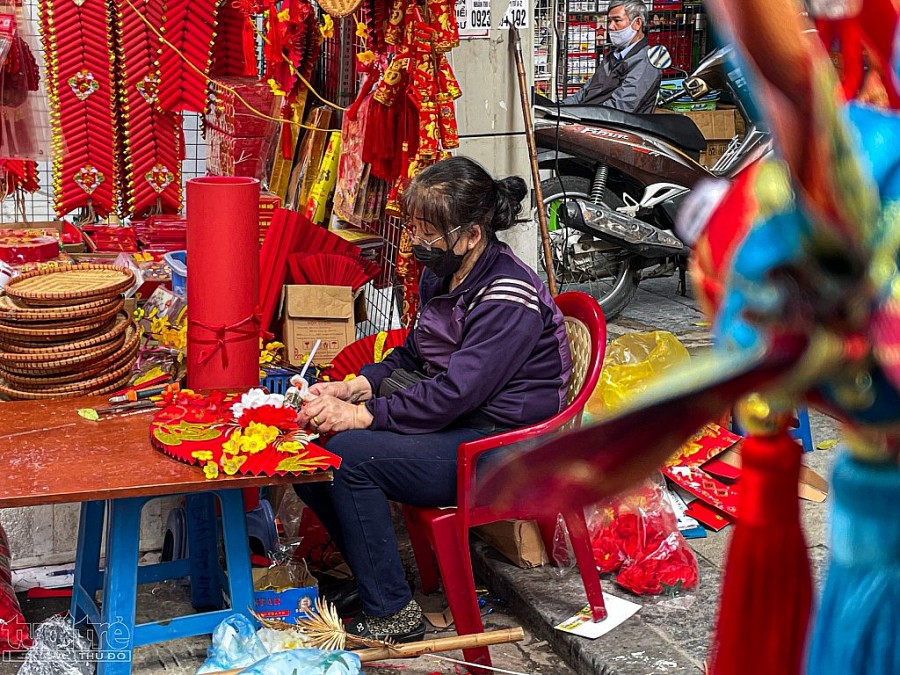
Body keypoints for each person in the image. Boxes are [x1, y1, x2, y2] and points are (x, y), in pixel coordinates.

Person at [293, 156, 573, 643]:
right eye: (414, 229)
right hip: (462, 425)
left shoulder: (507, 296)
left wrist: (362, 415)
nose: (417, 243)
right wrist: (353, 386)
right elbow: (414, 358)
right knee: (309, 455)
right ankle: (372, 583)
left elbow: (453, 394)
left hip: (502, 446)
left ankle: (394, 614)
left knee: (348, 457)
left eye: (429, 232)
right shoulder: (441, 276)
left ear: (471, 235)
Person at [563, 0, 662, 113]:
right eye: (609, 21)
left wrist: (578, 114)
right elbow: (584, 92)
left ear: (637, 23)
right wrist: (560, 109)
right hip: (589, 118)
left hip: (614, 126)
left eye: (617, 21)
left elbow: (620, 107)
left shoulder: (645, 62)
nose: (610, 26)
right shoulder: (613, 57)